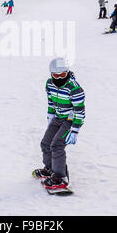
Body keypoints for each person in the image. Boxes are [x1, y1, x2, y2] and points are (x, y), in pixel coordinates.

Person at [33, 58, 85, 190]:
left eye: (63, 74)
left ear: (67, 72)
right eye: (56, 75)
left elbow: (79, 111)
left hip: (70, 120)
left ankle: (60, 177)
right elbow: (51, 102)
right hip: (57, 117)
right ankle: (50, 168)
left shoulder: (74, 88)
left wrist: (74, 130)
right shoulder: (49, 84)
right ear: (51, 74)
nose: (60, 77)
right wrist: (50, 116)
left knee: (57, 145)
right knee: (45, 143)